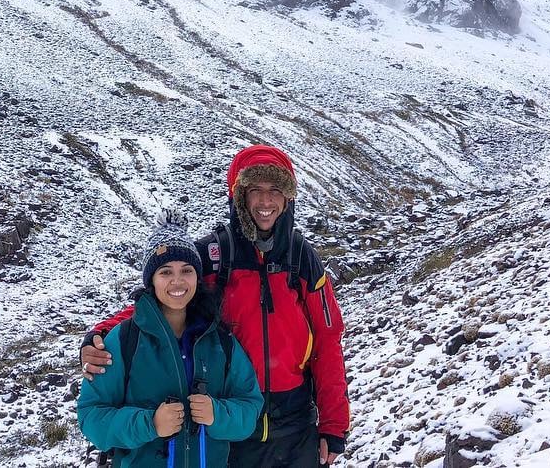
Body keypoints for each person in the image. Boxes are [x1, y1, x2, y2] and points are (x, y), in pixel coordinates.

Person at [82, 145, 349, 467]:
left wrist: (333, 425)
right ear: (238, 196)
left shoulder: (301, 257)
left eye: (275, 190)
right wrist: (102, 333)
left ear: (287, 197)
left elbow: (327, 339)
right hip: (226, 421)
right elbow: (167, 296)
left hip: (295, 424)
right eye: (255, 190)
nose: (265, 202)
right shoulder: (212, 255)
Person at [77, 208, 263, 467]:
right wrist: (150, 424)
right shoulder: (123, 341)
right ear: (151, 280)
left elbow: (250, 406)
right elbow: (91, 417)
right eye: (165, 272)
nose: (177, 281)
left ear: (197, 276)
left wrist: (217, 415)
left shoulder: (221, 342)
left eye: (186, 270)